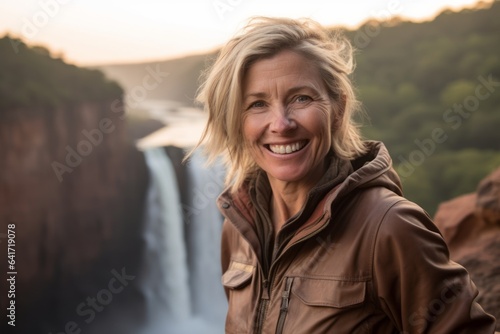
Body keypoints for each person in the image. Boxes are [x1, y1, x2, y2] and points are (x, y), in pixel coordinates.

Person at [188, 17, 497, 333]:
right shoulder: (239, 229)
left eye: (301, 98)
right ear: (236, 121)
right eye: (257, 104)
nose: (281, 124)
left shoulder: (389, 227)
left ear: (338, 108)